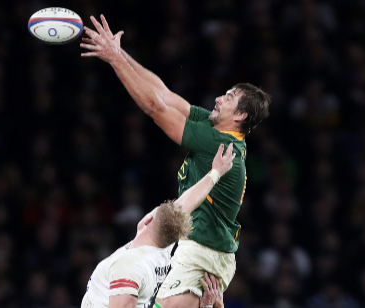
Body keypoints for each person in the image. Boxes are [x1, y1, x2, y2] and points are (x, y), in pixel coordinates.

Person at [80, 15, 272, 308]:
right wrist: (121, 54)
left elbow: (155, 108)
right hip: (198, 248)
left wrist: (114, 60)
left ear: (241, 116)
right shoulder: (214, 128)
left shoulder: (220, 142)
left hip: (205, 252)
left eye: (229, 97)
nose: (219, 98)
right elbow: (166, 95)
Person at [81, 144, 234, 308]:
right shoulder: (166, 249)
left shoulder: (128, 267)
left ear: (147, 221)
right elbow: (185, 204)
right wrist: (216, 172)